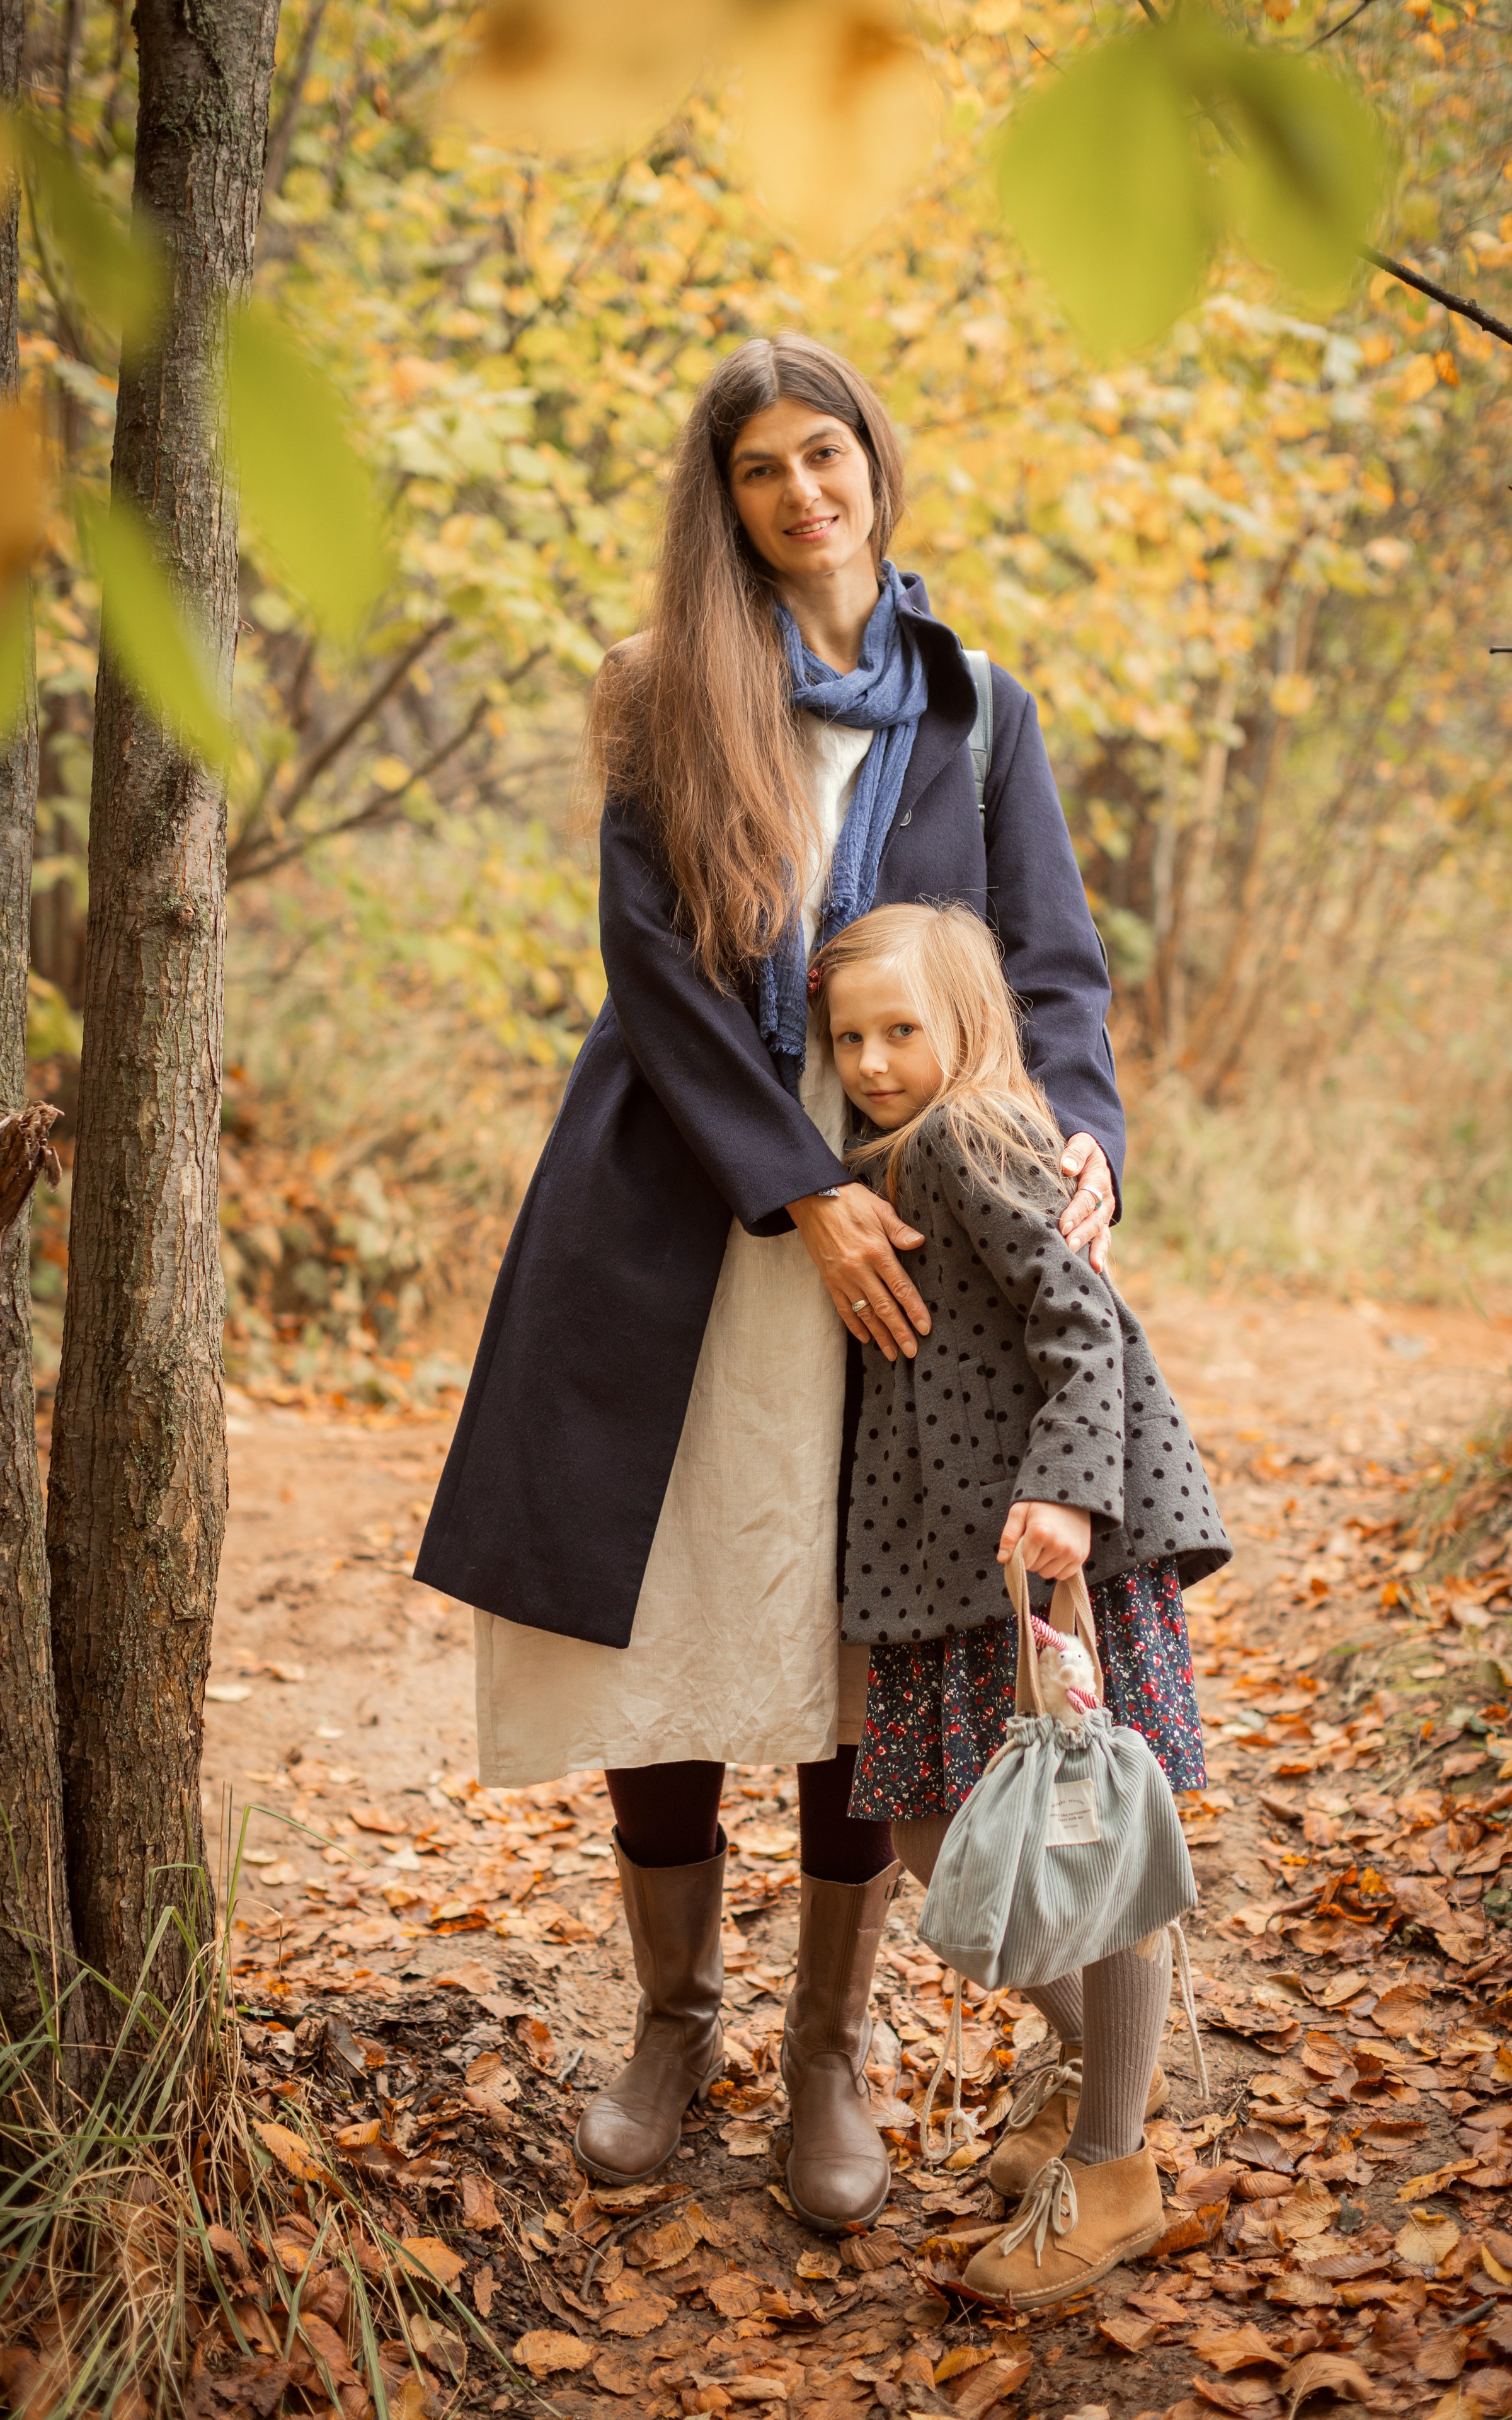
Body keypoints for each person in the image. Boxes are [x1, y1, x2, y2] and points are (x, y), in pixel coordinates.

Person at [412, 333, 1128, 2235]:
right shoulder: (660, 689)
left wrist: (1084, 1141)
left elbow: (1049, 965)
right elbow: (649, 968)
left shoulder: (976, 703)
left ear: (873, 463)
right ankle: (671, 2025)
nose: (803, 493)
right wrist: (799, 1189)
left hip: (917, 1218)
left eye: (827, 454)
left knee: (854, 1622)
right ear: (722, 502)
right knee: (660, 1601)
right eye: (761, 469)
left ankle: (828, 2046)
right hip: (686, 1197)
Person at [810, 900, 1230, 2305]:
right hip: (955, 1562)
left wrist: (1066, 1495)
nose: (872, 1062)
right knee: (930, 1828)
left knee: (1082, 1835)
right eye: (848, 1038)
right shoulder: (889, 1157)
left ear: (969, 1027)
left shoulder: (969, 1138)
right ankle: (1108, 2065)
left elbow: (1080, 1318)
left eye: (901, 1031)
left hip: (1050, 1546)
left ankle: (1113, 2163)